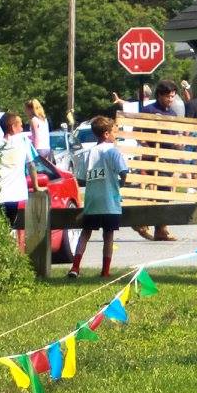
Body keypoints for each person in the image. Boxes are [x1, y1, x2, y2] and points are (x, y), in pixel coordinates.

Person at [68, 116, 130, 279]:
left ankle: (75, 267)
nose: (115, 135)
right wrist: (121, 183)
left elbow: (81, 178)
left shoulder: (89, 153)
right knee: (108, 235)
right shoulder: (113, 151)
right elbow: (123, 172)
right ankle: (105, 271)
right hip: (110, 201)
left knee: (85, 233)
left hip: (92, 202)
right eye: (113, 132)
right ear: (106, 134)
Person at [133, 79, 185, 241]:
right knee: (155, 192)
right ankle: (142, 221)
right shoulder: (149, 110)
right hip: (152, 158)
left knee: (164, 193)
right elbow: (136, 130)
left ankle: (160, 229)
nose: (171, 99)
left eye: (173, 96)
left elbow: (177, 136)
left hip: (168, 158)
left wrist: (179, 143)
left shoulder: (173, 114)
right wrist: (146, 146)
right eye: (168, 96)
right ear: (160, 95)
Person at [0, 111, 41, 231]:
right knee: (8, 226)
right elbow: (31, 165)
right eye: (20, 125)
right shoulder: (23, 140)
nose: (22, 128)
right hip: (12, 194)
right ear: (13, 127)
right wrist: (35, 186)